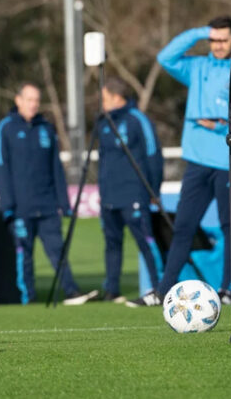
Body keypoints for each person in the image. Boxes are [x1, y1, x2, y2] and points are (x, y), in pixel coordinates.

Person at [134, 17, 231, 307]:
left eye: (223, 39)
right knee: (183, 226)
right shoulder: (197, 68)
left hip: (228, 161)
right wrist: (199, 32)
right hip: (196, 162)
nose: (218, 45)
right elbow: (165, 56)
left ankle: (229, 290)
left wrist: (220, 125)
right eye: (213, 40)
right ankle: (163, 289)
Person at [0, 82, 97, 305]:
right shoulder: (6, 128)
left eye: (37, 100)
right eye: (29, 100)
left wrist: (64, 203)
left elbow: (56, 169)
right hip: (21, 208)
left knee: (58, 251)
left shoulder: (46, 128)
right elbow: (0, 168)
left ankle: (71, 292)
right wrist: (9, 206)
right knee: (24, 257)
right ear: (18, 100)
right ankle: (27, 298)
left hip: (47, 205)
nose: (33, 104)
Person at [95, 77, 163, 304]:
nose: (101, 103)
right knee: (112, 245)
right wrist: (102, 192)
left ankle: (160, 288)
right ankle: (111, 290)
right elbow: (103, 161)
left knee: (146, 241)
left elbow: (153, 155)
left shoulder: (137, 120)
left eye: (104, 98)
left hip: (134, 194)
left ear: (116, 97)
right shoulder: (103, 123)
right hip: (109, 197)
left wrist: (154, 190)